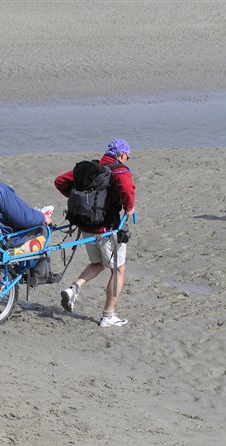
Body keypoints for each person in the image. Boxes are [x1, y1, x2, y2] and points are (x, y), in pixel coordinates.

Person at [54, 138, 135, 327]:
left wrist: (82, 200)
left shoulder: (90, 168)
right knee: (118, 270)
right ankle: (108, 315)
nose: (126, 160)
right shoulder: (120, 170)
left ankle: (74, 289)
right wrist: (130, 208)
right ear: (122, 155)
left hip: (86, 227)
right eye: (127, 157)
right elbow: (127, 190)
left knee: (98, 263)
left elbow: (60, 181)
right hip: (107, 229)